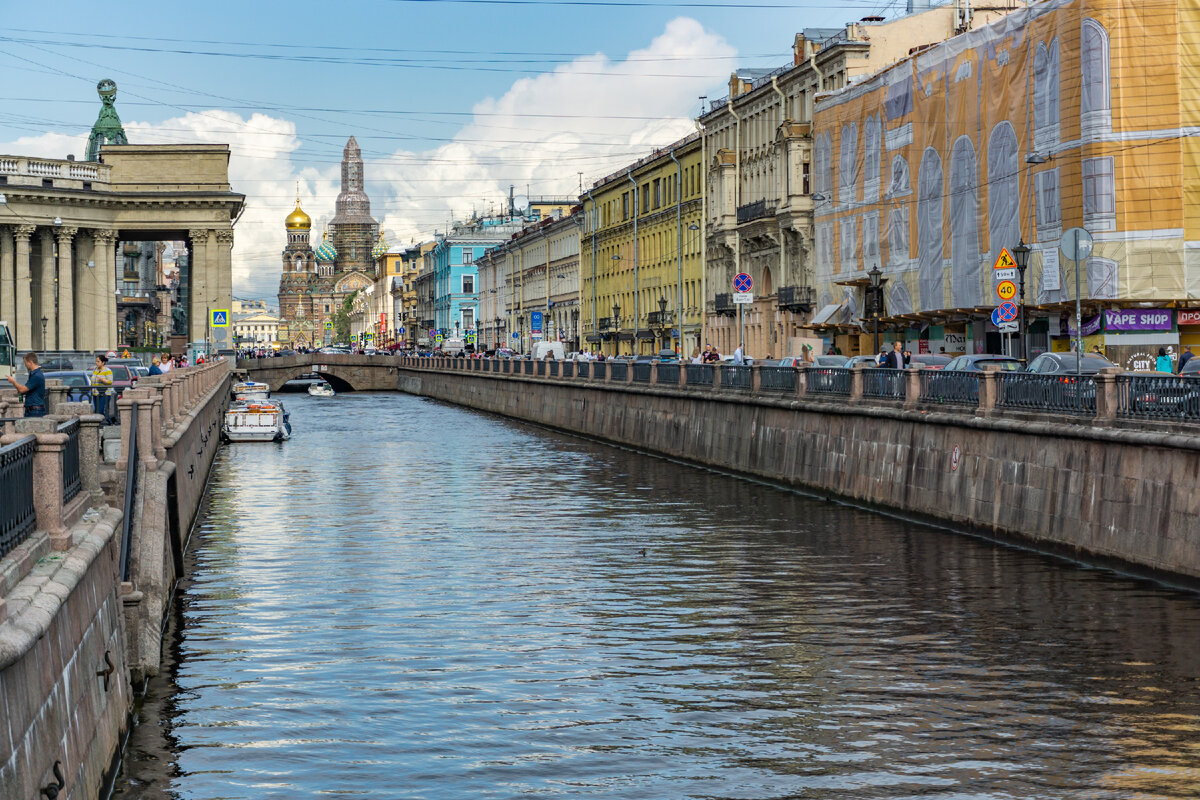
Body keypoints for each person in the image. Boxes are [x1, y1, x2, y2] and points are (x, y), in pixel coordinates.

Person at [6, 352, 47, 417]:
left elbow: (22, 390)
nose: (25, 365)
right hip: (33, 410)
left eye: (25, 363)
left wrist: (13, 381)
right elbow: (25, 390)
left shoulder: (36, 376)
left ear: (30, 362)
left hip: (35, 411)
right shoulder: (34, 374)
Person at [91, 354, 114, 418]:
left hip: (104, 394)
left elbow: (110, 382)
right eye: (96, 361)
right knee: (97, 410)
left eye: (98, 361)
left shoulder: (108, 371)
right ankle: (107, 422)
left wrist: (102, 380)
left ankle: (108, 422)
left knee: (100, 411)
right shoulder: (95, 369)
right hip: (95, 393)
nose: (96, 363)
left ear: (103, 362)